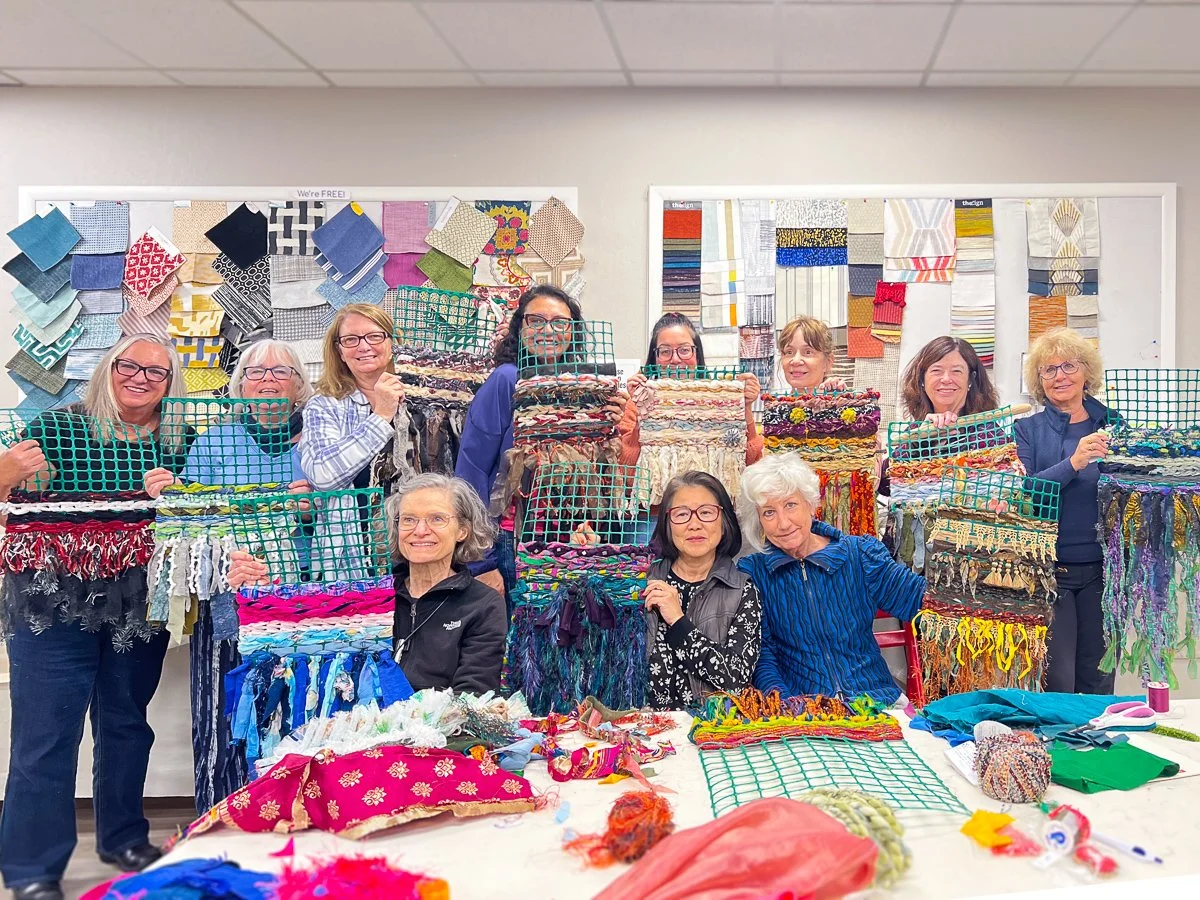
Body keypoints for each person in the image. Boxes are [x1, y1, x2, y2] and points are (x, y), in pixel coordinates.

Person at [0, 336, 188, 900]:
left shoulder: (181, 442)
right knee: (46, 732)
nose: (140, 377)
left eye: (156, 371)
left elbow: (200, 516)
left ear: (171, 383)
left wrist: (180, 494)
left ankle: (123, 838)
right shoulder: (58, 427)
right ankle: (32, 867)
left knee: (127, 722)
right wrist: (4, 471)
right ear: (107, 369)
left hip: (139, 602)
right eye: (128, 365)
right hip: (50, 599)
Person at [141, 339, 313, 815]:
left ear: (300, 387)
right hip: (227, 594)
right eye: (256, 374)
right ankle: (222, 812)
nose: (268, 381)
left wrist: (315, 506)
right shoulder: (216, 439)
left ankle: (292, 812)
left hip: (297, 594)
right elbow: (196, 516)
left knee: (291, 699)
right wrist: (176, 493)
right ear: (239, 387)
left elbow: (347, 514)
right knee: (223, 706)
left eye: (282, 372)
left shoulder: (320, 439)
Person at [229, 473, 507, 693]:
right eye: (408, 520)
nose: (421, 531)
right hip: (358, 733)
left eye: (437, 519)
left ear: (462, 530)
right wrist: (261, 594)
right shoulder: (371, 597)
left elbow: (474, 693)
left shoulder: (481, 604)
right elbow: (299, 643)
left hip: (437, 743)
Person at [455, 285, 626, 597]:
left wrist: (615, 424)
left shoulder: (585, 387)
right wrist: (481, 560)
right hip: (514, 538)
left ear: (573, 332)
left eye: (560, 322)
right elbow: (471, 471)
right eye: (536, 320)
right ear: (520, 327)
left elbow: (601, 475)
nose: (549, 330)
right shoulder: (507, 379)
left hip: (575, 535)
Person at [735, 452, 925, 705]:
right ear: (758, 521)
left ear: (811, 504)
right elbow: (762, 653)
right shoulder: (755, 572)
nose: (783, 523)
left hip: (876, 699)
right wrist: (784, 703)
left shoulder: (859, 554)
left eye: (790, 505)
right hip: (805, 709)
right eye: (769, 512)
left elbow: (918, 600)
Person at [1015, 328, 1113, 695]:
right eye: (1049, 369)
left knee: (1099, 676)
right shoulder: (1026, 429)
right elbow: (1025, 493)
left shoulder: (1113, 424)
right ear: (1039, 380)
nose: (1060, 376)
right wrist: (1074, 461)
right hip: (1050, 570)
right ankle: (1062, 751)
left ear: (1086, 371)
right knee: (1058, 680)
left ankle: (1101, 752)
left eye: (1068, 366)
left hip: (1104, 571)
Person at [644, 471, 761, 710]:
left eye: (706, 513)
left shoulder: (741, 590)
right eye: (682, 514)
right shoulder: (644, 580)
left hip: (714, 733)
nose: (694, 524)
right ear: (667, 524)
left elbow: (736, 680)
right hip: (647, 734)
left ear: (724, 521)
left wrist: (678, 621)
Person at [621, 312, 763, 465]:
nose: (675, 359)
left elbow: (750, 462)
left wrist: (745, 406)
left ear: (697, 353)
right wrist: (642, 414)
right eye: (665, 351)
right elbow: (628, 472)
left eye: (684, 350)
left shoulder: (721, 399)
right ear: (654, 358)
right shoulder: (636, 404)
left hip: (710, 487)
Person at [300, 303, 403, 493]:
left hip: (417, 521)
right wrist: (381, 416)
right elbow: (323, 476)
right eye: (350, 340)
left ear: (393, 343)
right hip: (356, 522)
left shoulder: (420, 396)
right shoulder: (324, 405)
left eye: (374, 336)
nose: (364, 346)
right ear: (340, 352)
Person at [899, 335, 999, 428]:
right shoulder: (914, 432)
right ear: (921, 380)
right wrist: (922, 440)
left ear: (970, 380)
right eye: (936, 370)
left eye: (956, 371)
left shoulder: (989, 432)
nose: (946, 379)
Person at [775, 315, 848, 394]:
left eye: (808, 352)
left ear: (828, 362)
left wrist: (839, 400)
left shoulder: (841, 401)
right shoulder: (773, 403)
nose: (796, 361)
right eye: (789, 352)